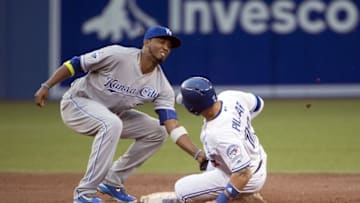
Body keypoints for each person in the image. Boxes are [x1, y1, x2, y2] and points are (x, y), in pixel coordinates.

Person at [34, 26, 206, 203]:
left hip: (112, 113)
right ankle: (84, 193)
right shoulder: (117, 55)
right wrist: (47, 86)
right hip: (77, 103)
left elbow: (172, 125)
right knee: (112, 123)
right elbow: (75, 64)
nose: (166, 48)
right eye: (161, 42)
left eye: (169, 46)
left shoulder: (162, 87)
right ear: (146, 42)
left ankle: (112, 181)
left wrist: (198, 154)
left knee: (157, 131)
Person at [174, 76, 268, 203]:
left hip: (249, 177)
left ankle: (243, 197)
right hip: (257, 158)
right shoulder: (230, 96)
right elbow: (258, 104)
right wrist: (237, 127)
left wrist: (221, 201)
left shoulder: (218, 134)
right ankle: (243, 195)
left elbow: (243, 173)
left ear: (193, 109)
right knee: (210, 165)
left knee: (181, 190)